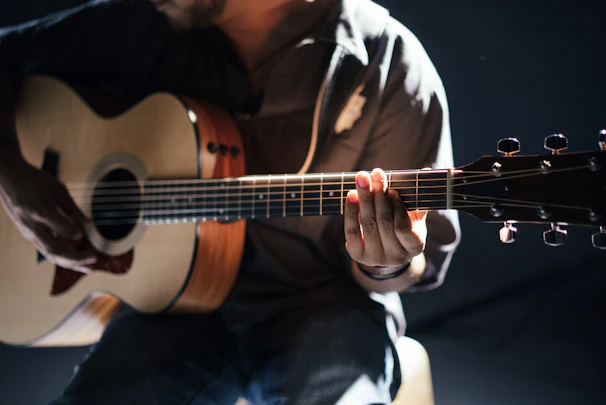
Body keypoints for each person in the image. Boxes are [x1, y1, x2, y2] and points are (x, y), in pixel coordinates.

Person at [0, 0, 460, 404]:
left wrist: (386, 261)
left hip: (324, 307)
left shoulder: (388, 61)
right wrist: (13, 174)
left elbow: (410, 267)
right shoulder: (145, 20)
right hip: (170, 311)